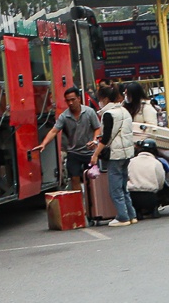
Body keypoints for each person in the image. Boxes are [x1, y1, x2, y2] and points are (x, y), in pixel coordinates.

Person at [30, 86, 98, 189]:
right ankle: (78, 202)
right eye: (68, 101)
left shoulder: (89, 112)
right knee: (74, 178)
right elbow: (54, 131)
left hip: (89, 153)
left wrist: (95, 140)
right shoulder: (64, 116)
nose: (70, 103)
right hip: (74, 153)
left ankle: (92, 202)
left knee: (91, 180)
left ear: (78, 99)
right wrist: (44, 143)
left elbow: (97, 128)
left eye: (73, 100)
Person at [95, 84, 138, 227]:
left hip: (115, 155)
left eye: (100, 98)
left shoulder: (109, 114)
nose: (99, 101)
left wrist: (95, 153)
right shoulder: (124, 111)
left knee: (115, 189)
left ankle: (122, 217)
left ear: (106, 99)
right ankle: (131, 215)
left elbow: (106, 138)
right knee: (123, 187)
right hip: (127, 154)